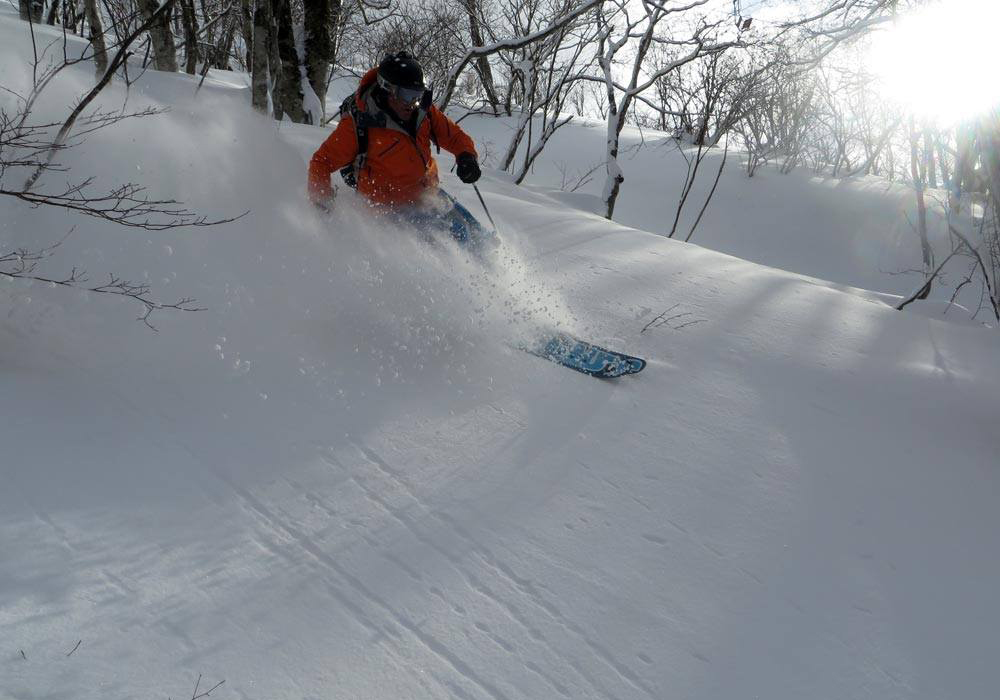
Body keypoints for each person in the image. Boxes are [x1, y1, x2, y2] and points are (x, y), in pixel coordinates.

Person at [308, 51, 488, 246]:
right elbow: (321, 162)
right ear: (387, 89)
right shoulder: (358, 124)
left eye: (418, 95)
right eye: (407, 95)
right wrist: (323, 205)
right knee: (457, 241)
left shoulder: (423, 112)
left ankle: (495, 264)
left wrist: (466, 156)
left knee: (475, 233)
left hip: (427, 193)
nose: (413, 103)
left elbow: (453, 136)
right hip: (389, 210)